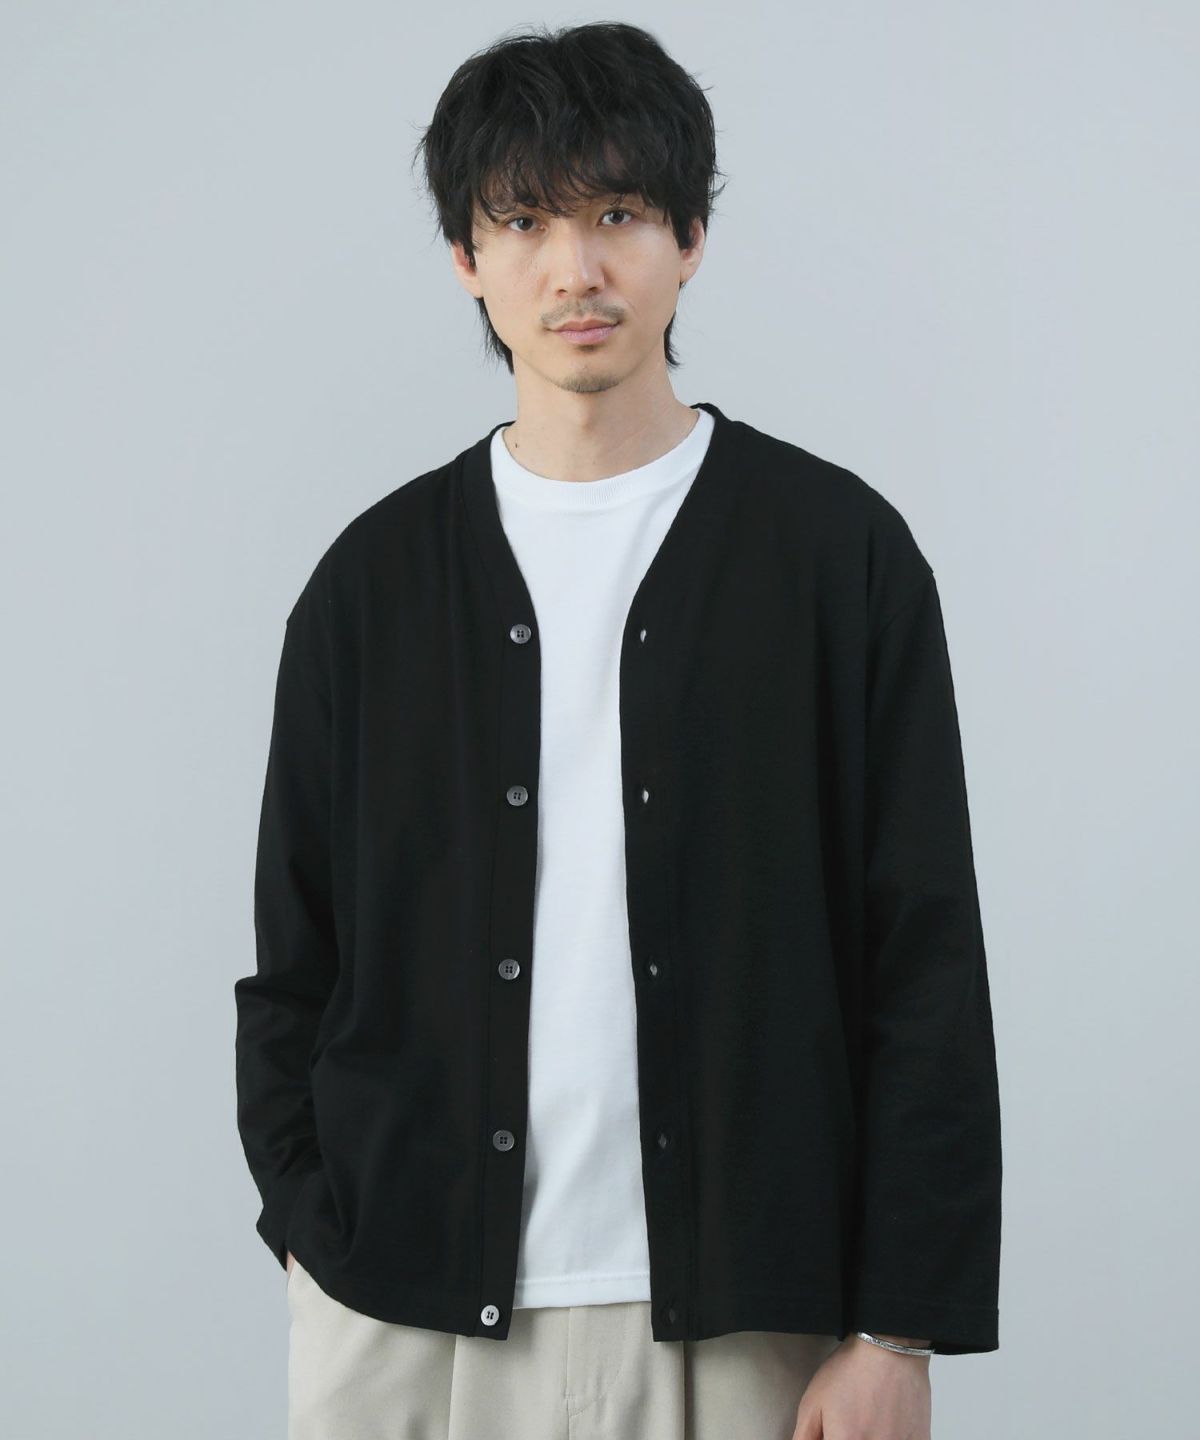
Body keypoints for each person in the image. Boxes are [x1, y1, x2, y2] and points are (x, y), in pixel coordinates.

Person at [233, 20, 1002, 1440]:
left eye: (618, 215)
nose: (573, 269)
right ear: (465, 257)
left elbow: (923, 961)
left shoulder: (836, 557)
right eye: (523, 221)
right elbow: (296, 967)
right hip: (404, 1318)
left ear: (690, 237)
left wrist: (897, 1326)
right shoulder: (370, 587)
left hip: (753, 1317)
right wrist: (310, 1233)